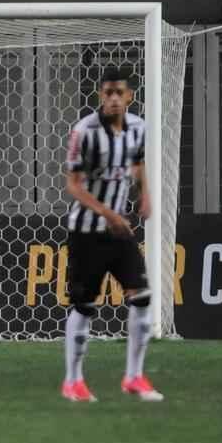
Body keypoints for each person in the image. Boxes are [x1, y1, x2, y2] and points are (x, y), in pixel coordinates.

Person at [61, 64, 162, 403]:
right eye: (108, 93)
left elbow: (137, 164)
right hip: (86, 231)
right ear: (100, 95)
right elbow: (74, 185)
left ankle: (134, 376)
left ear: (130, 95)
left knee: (142, 296)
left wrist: (144, 194)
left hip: (119, 232)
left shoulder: (138, 128)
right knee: (85, 305)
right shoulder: (84, 131)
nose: (114, 98)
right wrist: (108, 214)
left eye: (120, 92)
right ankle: (73, 381)